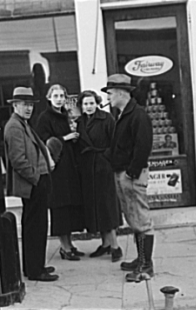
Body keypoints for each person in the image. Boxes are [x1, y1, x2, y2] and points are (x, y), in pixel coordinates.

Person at [102, 74, 154, 282]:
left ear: (122, 93)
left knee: (141, 221)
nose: (109, 97)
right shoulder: (124, 114)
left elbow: (143, 147)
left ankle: (146, 266)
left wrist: (131, 173)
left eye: (111, 93)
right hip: (123, 173)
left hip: (131, 175)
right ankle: (140, 259)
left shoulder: (138, 115)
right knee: (133, 219)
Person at [4, 87, 58, 282]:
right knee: (36, 227)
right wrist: (36, 179)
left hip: (36, 181)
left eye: (30, 105)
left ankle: (34, 266)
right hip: (33, 183)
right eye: (24, 104)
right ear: (15, 105)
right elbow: (17, 159)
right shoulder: (14, 127)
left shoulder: (22, 124)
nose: (28, 108)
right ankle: (35, 270)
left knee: (35, 226)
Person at [34, 84, 85, 261]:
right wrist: (66, 138)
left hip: (70, 167)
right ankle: (64, 247)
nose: (59, 99)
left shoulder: (66, 115)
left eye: (62, 96)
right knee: (61, 207)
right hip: (57, 167)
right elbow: (43, 141)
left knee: (70, 207)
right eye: (56, 96)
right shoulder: (44, 117)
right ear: (49, 98)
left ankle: (70, 244)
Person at [75, 90, 123, 262]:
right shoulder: (79, 122)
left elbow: (116, 142)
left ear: (97, 103)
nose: (89, 107)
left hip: (103, 167)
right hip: (88, 169)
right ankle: (105, 244)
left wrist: (107, 159)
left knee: (107, 206)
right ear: (81, 106)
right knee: (96, 207)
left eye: (92, 103)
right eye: (85, 104)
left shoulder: (107, 119)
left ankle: (115, 246)